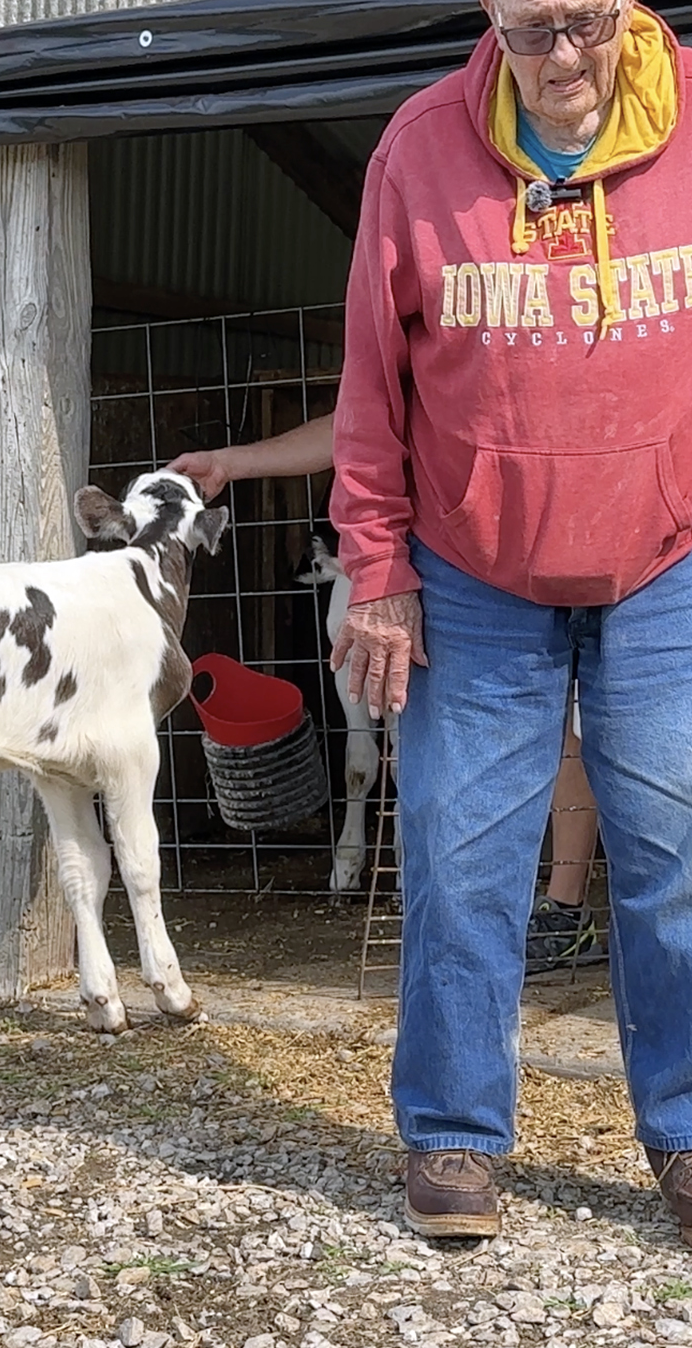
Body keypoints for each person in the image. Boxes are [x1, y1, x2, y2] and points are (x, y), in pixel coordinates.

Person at [326, 0, 692, 1244]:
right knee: (460, 859)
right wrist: (376, 564)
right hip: (472, 574)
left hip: (666, 564)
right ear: (487, 21)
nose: (561, 56)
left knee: (682, 857)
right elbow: (373, 382)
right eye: (528, 30)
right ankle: (451, 1137)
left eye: (584, 20)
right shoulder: (418, 152)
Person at [172, 416, 606, 972]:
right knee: (443, 733)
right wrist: (234, 462)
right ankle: (458, 911)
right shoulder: (417, 368)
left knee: (562, 721)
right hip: (442, 561)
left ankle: (562, 909)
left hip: (556, 542)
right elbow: (356, 418)